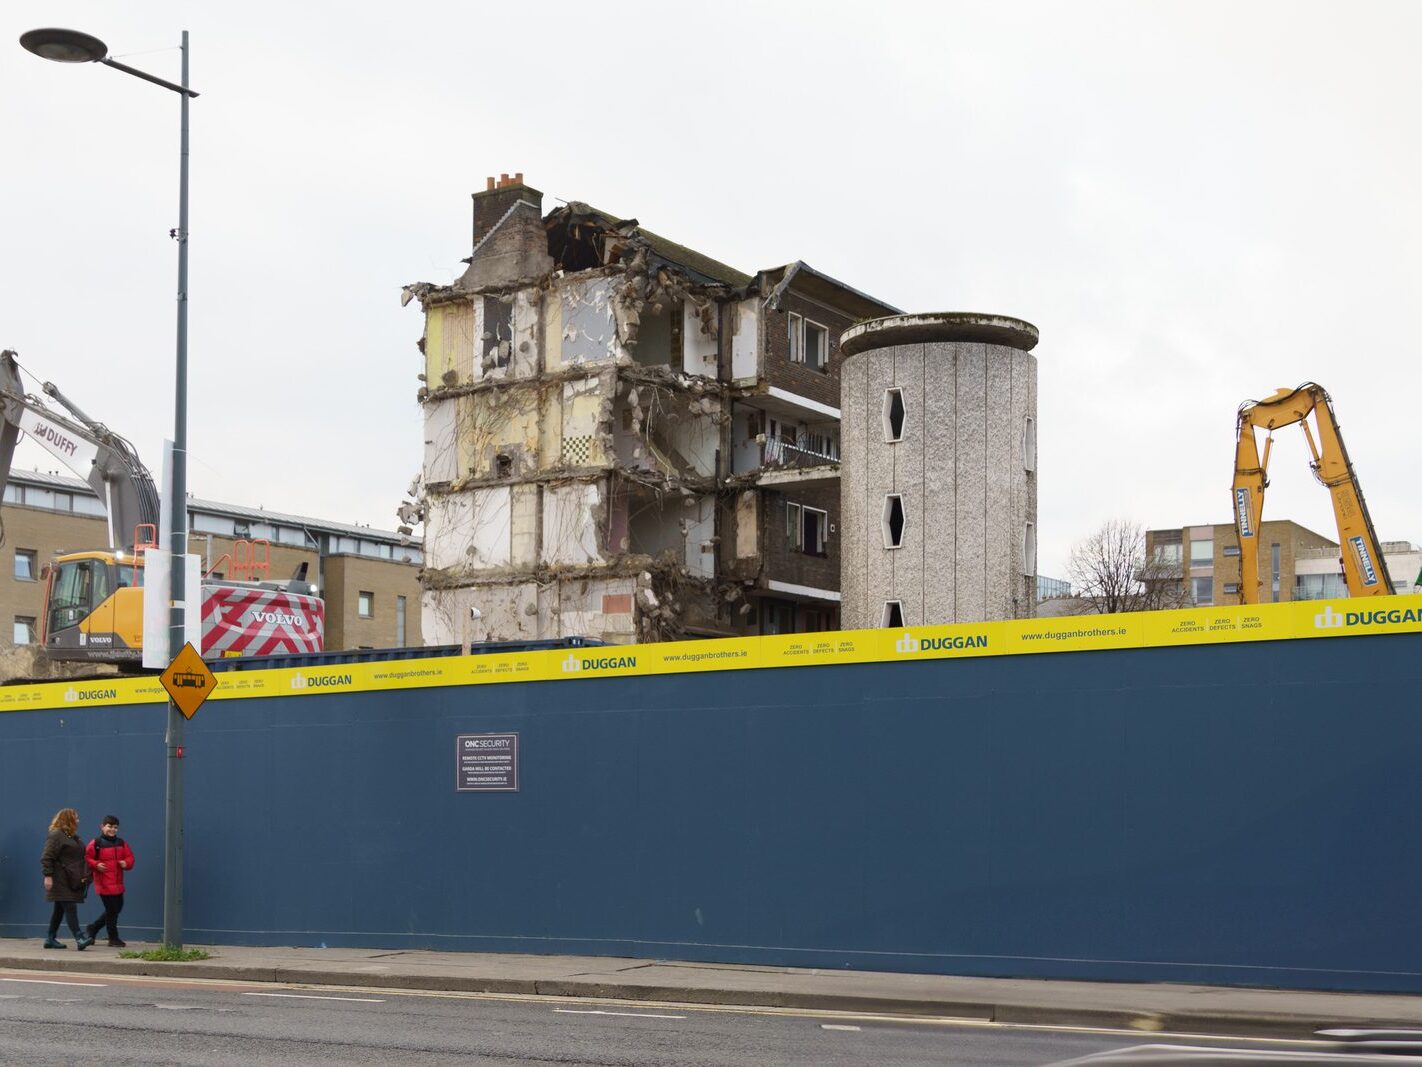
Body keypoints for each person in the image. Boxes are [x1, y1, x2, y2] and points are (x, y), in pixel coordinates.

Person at [40, 808, 93, 950]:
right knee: (70, 907)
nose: (78, 820)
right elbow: (47, 856)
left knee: (59, 910)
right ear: (68, 819)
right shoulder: (56, 835)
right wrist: (48, 876)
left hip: (70, 879)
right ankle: (80, 938)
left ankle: (50, 938)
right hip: (59, 879)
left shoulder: (71, 836)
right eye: (76, 818)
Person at [83, 815, 134, 947]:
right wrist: (96, 864)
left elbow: (130, 857)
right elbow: (86, 858)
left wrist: (126, 863)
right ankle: (113, 938)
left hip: (118, 883)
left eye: (115, 827)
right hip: (103, 882)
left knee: (116, 908)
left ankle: (93, 928)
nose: (112, 829)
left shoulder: (121, 843)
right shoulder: (96, 843)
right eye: (109, 826)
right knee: (112, 910)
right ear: (102, 827)